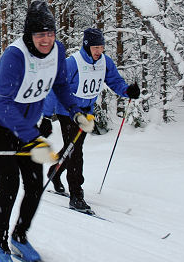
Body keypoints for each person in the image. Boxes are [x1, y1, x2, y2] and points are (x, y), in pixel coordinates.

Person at [0, 0, 90, 262]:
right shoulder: (14, 56)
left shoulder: (57, 51)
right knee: (9, 185)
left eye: (50, 33)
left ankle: (19, 236)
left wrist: (76, 111)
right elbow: (3, 105)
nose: (46, 40)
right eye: (40, 34)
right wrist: (33, 139)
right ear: (29, 35)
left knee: (34, 185)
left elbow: (61, 85)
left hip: (27, 124)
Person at [43, 28, 140, 212]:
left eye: (101, 47)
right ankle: (76, 196)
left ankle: (55, 172)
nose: (99, 51)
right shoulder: (72, 63)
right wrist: (47, 116)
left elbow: (115, 81)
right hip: (68, 112)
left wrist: (127, 91)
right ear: (87, 46)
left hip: (88, 112)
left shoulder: (105, 62)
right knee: (76, 152)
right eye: (95, 47)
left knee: (73, 147)